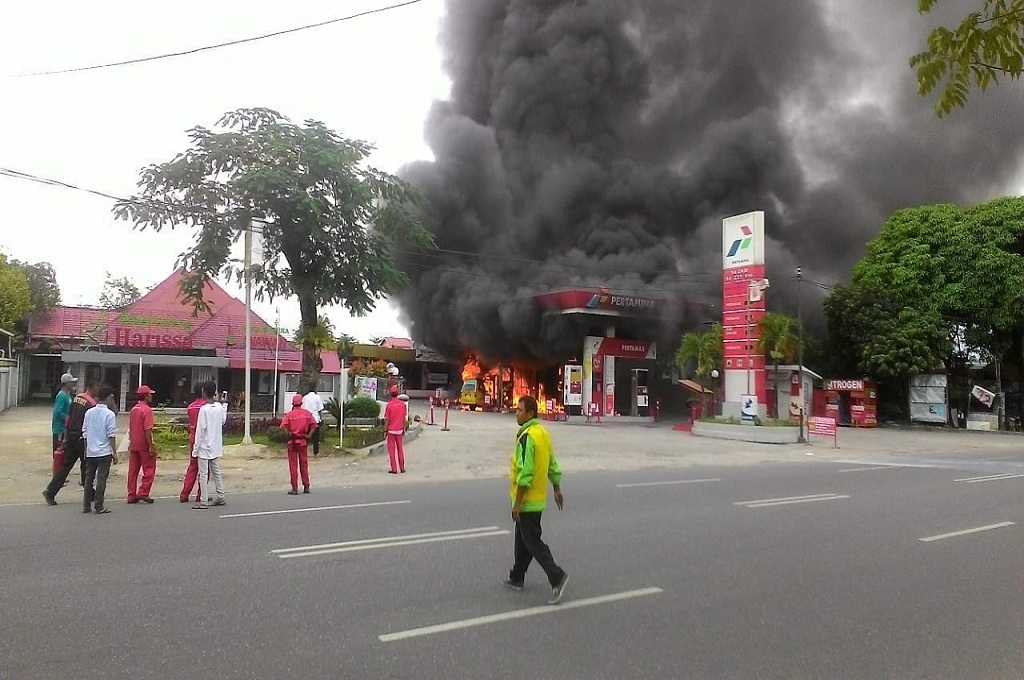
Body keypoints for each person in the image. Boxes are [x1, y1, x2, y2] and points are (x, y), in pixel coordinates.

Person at [503, 395, 569, 605]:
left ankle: (557, 576)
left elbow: (525, 474)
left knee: (531, 541)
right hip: (538, 499)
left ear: (530, 413)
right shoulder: (542, 433)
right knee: (522, 538)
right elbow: (553, 464)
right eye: (517, 409)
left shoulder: (526, 437)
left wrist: (517, 504)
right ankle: (517, 576)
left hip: (528, 501)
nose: (517, 413)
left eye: (520, 410)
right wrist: (557, 489)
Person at [42, 379, 99, 505]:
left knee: (65, 466)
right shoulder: (91, 404)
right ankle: (90, 494)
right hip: (82, 438)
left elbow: (68, 418)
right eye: (97, 387)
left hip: (71, 436)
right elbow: (91, 424)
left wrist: (66, 437)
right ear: (92, 386)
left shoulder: (76, 398)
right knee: (86, 467)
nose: (98, 390)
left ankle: (50, 491)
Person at [82, 385, 119, 515]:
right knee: (101, 480)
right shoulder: (109, 414)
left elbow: (85, 433)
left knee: (88, 479)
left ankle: (86, 506)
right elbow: (111, 435)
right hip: (104, 452)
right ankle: (99, 506)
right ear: (109, 397)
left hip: (91, 451)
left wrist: (87, 449)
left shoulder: (89, 412)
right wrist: (114, 452)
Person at [192, 382, 227, 510]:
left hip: (204, 447)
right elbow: (223, 421)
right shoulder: (219, 407)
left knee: (203, 474)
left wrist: (195, 449)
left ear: (204, 393)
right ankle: (221, 495)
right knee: (216, 472)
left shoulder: (204, 409)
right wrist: (224, 404)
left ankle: (204, 500)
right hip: (216, 446)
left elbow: (200, 430)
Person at [127, 385, 158, 504]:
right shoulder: (147, 410)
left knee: (133, 471)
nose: (151, 396)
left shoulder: (134, 409)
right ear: (145, 396)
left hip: (134, 443)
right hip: (144, 444)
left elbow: (130, 427)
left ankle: (131, 494)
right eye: (150, 394)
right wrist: (151, 445)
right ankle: (143, 492)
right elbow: (148, 430)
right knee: (149, 469)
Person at [280, 393, 317, 494]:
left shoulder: (289, 414)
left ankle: (294, 488)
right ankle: (306, 486)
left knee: (293, 465)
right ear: (301, 403)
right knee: (304, 464)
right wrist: (309, 435)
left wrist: (288, 433)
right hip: (303, 441)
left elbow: (283, 426)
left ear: (293, 403)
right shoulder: (307, 413)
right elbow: (314, 425)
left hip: (292, 441)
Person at [179, 384, 207, 503]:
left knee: (192, 467)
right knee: (205, 469)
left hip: (193, 439)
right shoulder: (206, 407)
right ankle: (201, 494)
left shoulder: (190, 407)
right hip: (204, 440)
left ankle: (184, 494)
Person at [383, 385, 407, 474]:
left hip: (391, 431)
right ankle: (402, 467)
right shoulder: (402, 405)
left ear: (390, 394)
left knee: (392, 450)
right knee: (400, 449)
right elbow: (404, 418)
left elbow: (387, 420)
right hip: (399, 430)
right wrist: (404, 428)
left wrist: (385, 431)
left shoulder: (389, 405)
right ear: (398, 394)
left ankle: (394, 469)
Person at [51, 372, 76, 458]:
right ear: (66, 383)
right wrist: (68, 420)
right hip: (59, 429)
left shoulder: (67, 395)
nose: (73, 384)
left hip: (64, 429)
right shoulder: (62, 396)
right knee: (59, 453)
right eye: (71, 382)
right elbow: (58, 412)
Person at [301, 383, 325, 457]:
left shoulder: (304, 398)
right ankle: (315, 454)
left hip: (306, 419)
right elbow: (319, 410)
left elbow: (302, 409)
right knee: (316, 438)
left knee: (306, 437)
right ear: (315, 389)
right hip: (315, 419)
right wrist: (321, 418)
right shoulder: (317, 397)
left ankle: (304, 453)